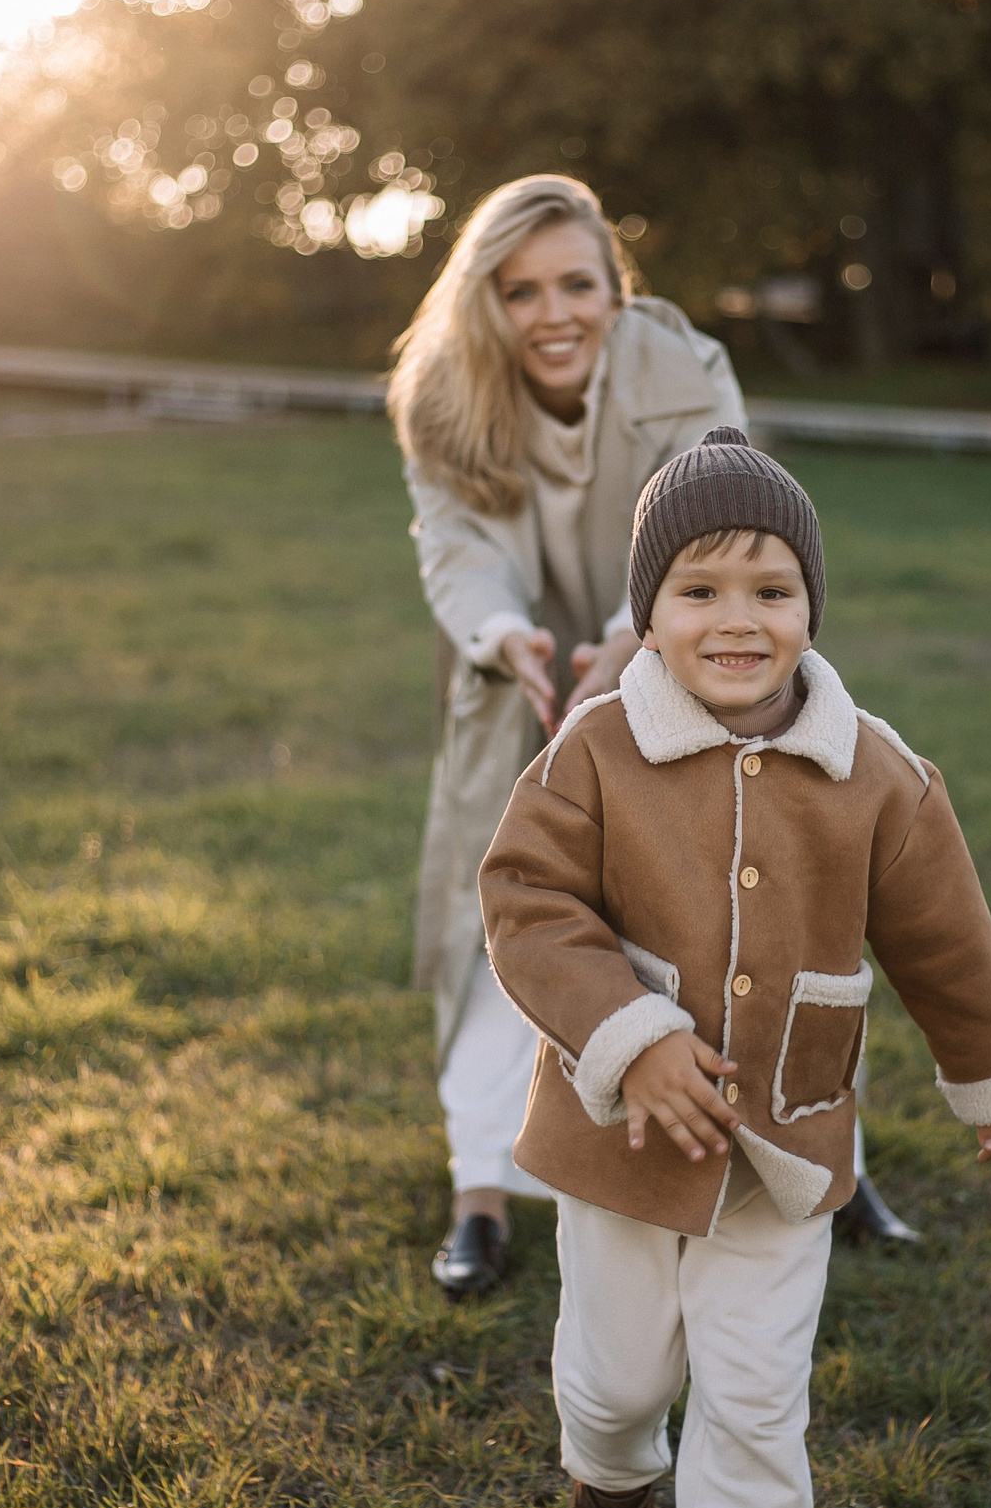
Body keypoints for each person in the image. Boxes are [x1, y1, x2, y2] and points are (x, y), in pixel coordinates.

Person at [478, 427, 991, 1508]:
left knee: (754, 1400)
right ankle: (608, 1500)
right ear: (646, 618)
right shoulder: (595, 752)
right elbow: (526, 903)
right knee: (618, 1386)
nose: (736, 621)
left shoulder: (875, 774)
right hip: (618, 1145)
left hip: (786, 1145)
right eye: (698, 592)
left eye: (771, 592)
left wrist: (988, 1069)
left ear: (811, 609)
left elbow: (943, 937)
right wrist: (629, 1037)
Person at [391, 176, 914, 1302]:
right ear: (485, 301)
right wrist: (508, 639)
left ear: (614, 289)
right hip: (517, 683)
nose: (553, 314)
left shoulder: (682, 369)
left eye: (576, 284)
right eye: (520, 291)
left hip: (689, 666)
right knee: (497, 925)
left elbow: (723, 529)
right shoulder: (439, 395)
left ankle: (835, 1165)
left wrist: (629, 644)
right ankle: (478, 1189)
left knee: (765, 915)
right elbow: (454, 545)